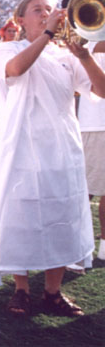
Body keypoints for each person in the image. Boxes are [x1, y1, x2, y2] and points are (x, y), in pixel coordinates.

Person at [0, 0, 105, 317]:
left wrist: (84, 57)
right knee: (20, 216)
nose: (45, 13)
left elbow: (101, 90)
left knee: (62, 215)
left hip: (62, 147)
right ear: (20, 20)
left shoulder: (67, 54)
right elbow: (15, 70)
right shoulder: (7, 49)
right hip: (20, 146)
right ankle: (22, 289)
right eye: (37, 9)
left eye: (49, 8)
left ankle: (53, 292)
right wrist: (47, 35)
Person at [78, 42, 105, 262]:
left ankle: (102, 247)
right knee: (83, 191)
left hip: (96, 124)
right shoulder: (92, 43)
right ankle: (77, 247)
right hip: (97, 124)